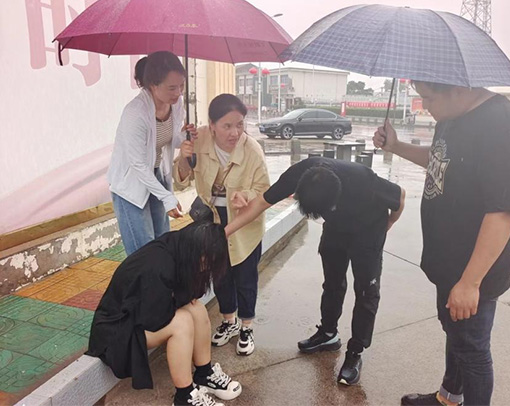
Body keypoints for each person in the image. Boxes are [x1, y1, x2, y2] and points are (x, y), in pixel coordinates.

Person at [373, 81, 510, 406]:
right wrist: (396, 146)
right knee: (457, 334)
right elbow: (439, 159)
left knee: (472, 350)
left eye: (429, 98)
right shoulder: (451, 117)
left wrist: (470, 283)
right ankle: (448, 397)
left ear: (457, 88)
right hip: (448, 262)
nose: (425, 106)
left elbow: (504, 211)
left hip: (472, 269)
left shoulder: (501, 125)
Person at [224, 157, 405, 385]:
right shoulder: (299, 173)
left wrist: (388, 224)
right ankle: (328, 334)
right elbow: (261, 202)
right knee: (332, 282)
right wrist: (224, 233)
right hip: (336, 229)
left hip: (368, 228)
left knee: (366, 291)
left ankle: (355, 352)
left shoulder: (360, 178)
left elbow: (400, 197)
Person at [86, 221, 242, 406]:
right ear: (196, 251)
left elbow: (193, 295)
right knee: (182, 322)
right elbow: (154, 319)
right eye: (206, 261)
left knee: (197, 309)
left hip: (140, 315)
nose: (206, 267)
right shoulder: (158, 264)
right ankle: (184, 397)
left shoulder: (181, 246)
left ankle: (204, 374)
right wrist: (182, 298)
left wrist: (182, 296)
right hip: (115, 332)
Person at [174, 94, 270, 356]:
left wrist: (246, 195)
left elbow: (264, 191)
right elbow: (180, 180)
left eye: (239, 124)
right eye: (227, 126)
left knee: (245, 276)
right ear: (212, 124)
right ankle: (230, 321)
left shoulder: (252, 150)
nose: (235, 133)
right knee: (220, 274)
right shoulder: (198, 139)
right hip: (212, 218)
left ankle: (247, 326)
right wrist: (183, 157)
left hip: (243, 221)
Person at [107, 51, 197, 256]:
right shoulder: (135, 113)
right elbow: (138, 164)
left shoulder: (176, 104)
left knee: (162, 242)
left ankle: (161, 278)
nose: (178, 93)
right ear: (153, 85)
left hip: (157, 175)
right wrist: (167, 197)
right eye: (172, 87)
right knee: (144, 251)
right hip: (131, 184)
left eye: (181, 86)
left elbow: (169, 139)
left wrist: (185, 137)